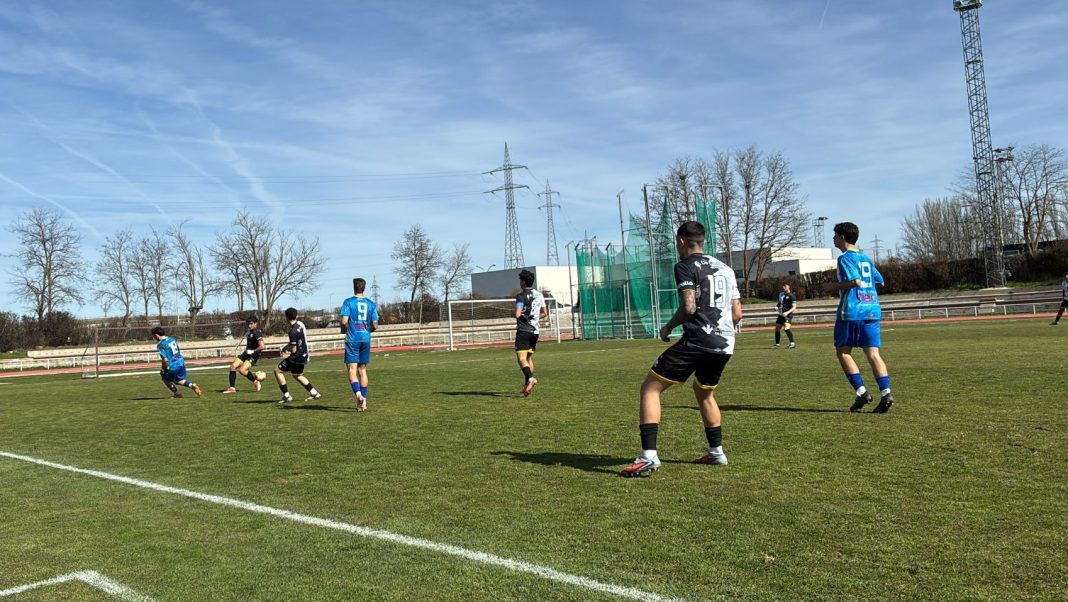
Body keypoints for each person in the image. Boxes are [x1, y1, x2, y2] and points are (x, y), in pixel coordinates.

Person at [620, 221, 742, 478]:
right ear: (704, 241)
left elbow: (689, 307)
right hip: (725, 343)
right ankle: (716, 453)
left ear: (680, 242)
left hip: (699, 340)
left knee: (650, 388)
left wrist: (667, 328)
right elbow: (737, 314)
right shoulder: (726, 269)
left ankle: (648, 456)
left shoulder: (685, 266)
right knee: (704, 392)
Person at [823, 221, 894, 413]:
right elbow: (880, 281)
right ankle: (886, 393)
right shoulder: (865, 258)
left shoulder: (845, 258)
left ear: (842, 237)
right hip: (872, 309)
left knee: (843, 352)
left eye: (835, 235)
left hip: (852, 312)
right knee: (873, 354)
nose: (833, 238)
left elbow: (854, 281)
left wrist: (832, 287)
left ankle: (862, 393)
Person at [340, 278, 379, 412]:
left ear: (354, 287)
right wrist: (368, 330)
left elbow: (344, 321)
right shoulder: (371, 304)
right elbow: (375, 325)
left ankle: (358, 395)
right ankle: (364, 402)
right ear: (364, 288)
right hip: (365, 339)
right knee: (362, 370)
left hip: (352, 339)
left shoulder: (348, 302)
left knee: (352, 370)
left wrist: (343, 330)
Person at [275, 307, 321, 405]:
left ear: (286, 318)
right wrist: (287, 347)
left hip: (296, 357)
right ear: (296, 316)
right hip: (303, 355)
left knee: (277, 371)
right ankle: (314, 393)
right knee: (297, 375)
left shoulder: (292, 332)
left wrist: (288, 349)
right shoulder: (300, 325)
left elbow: (294, 349)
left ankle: (286, 396)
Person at [514, 269, 548, 396]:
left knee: (521, 358)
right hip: (535, 331)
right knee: (528, 358)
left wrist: (516, 313)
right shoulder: (539, 295)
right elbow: (545, 313)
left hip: (523, 330)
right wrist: (534, 317)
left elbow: (518, 314)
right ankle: (527, 384)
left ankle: (530, 379)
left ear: (523, 282)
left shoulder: (520, 296)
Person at [151, 326, 202, 399]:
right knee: (178, 380)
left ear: (156, 335)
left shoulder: (160, 344)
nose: (154, 338)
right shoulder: (172, 339)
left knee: (165, 379)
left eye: (153, 336)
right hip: (181, 361)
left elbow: (165, 359)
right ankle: (192, 385)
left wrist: (163, 369)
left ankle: (177, 394)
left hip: (173, 365)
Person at [223, 315, 266, 393]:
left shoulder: (257, 333)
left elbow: (262, 346)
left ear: (256, 324)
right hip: (245, 354)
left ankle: (256, 381)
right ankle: (232, 388)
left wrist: (253, 351)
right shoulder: (249, 331)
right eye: (248, 324)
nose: (249, 326)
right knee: (232, 367)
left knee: (242, 370)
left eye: (251, 324)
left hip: (253, 356)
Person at [773, 283, 798, 348]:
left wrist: (787, 312)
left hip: (788, 315)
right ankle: (777, 344)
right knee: (777, 329)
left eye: (785, 286)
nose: (783, 287)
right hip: (781, 314)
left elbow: (794, 307)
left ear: (788, 287)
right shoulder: (781, 294)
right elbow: (779, 303)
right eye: (783, 286)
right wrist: (776, 307)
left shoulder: (792, 296)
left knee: (786, 328)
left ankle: (792, 344)